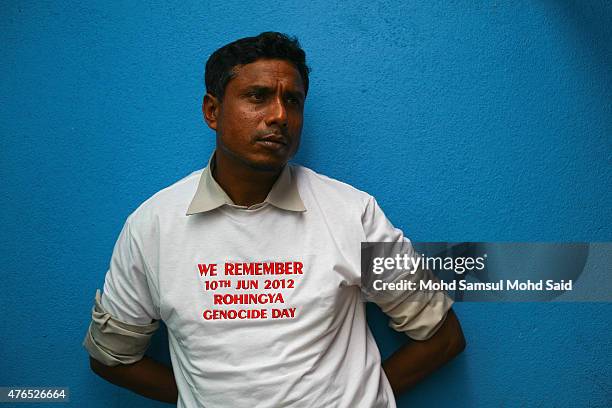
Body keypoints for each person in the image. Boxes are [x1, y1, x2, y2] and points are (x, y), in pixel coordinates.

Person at [83, 31, 465, 407]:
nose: (280, 116)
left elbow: (443, 337)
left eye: (293, 101)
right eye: (258, 97)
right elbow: (112, 358)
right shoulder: (153, 226)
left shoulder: (352, 212)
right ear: (212, 111)